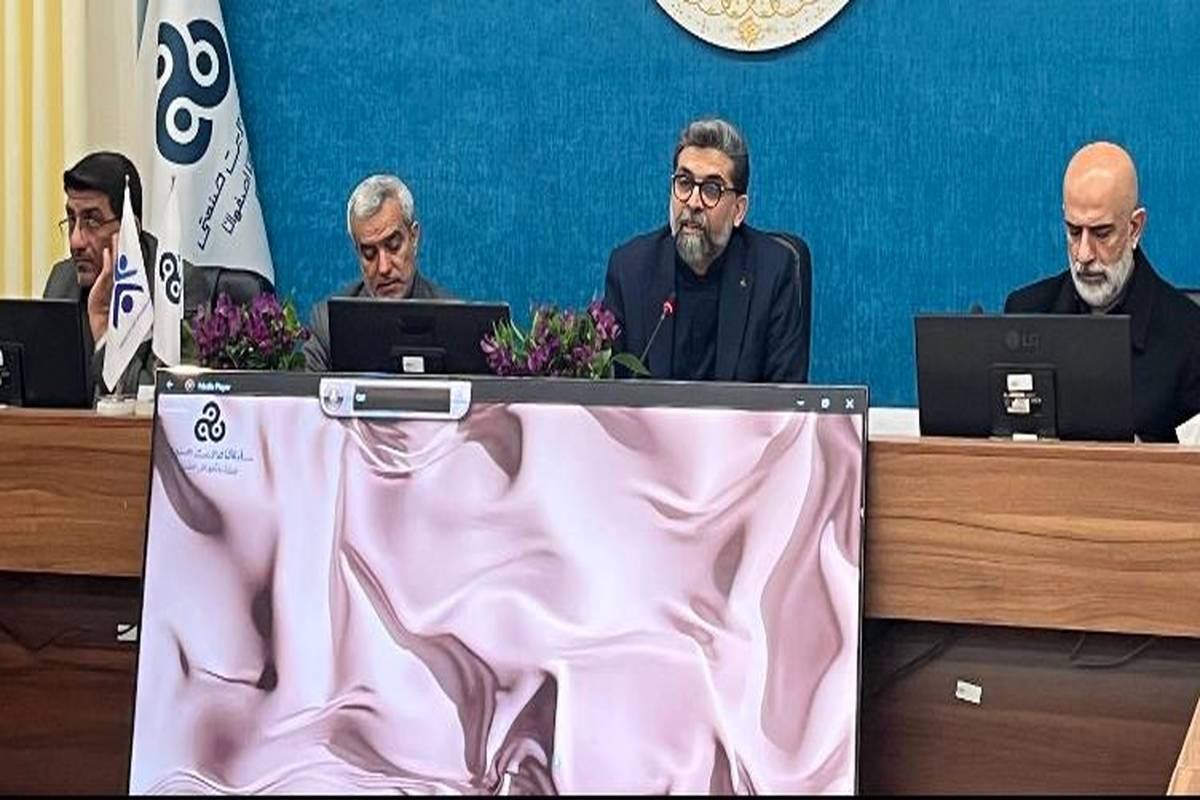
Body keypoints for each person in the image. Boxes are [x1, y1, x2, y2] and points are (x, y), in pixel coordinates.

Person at [1005, 141, 1200, 442]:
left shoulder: (1189, 336)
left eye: (1101, 233)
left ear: (1134, 228)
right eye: (1074, 231)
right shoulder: (1025, 312)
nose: (1083, 254)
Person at [603, 118, 809, 383]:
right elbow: (607, 395)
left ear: (738, 210)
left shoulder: (772, 273)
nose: (693, 202)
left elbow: (786, 400)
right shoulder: (630, 270)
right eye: (684, 183)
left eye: (712, 189)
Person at [303, 174, 452, 371]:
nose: (383, 267)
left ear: (414, 238)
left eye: (393, 246)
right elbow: (306, 390)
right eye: (369, 253)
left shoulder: (455, 321)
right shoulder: (328, 323)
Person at [43, 151, 155, 397]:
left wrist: (104, 329)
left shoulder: (173, 288)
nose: (75, 241)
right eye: (71, 220)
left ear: (130, 230)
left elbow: (159, 402)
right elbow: (46, 390)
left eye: (92, 221)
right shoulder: (62, 281)